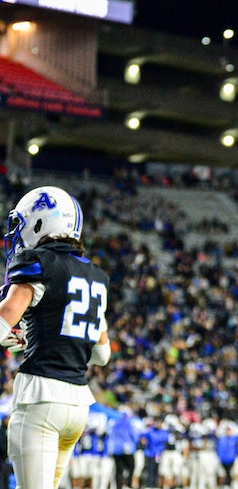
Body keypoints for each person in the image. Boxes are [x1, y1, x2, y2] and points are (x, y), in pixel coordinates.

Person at [0, 185, 111, 489]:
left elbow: (7, 314)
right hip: (77, 407)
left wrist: (10, 333)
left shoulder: (38, 262)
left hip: (41, 397)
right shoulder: (96, 276)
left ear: (39, 223)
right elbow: (103, 355)